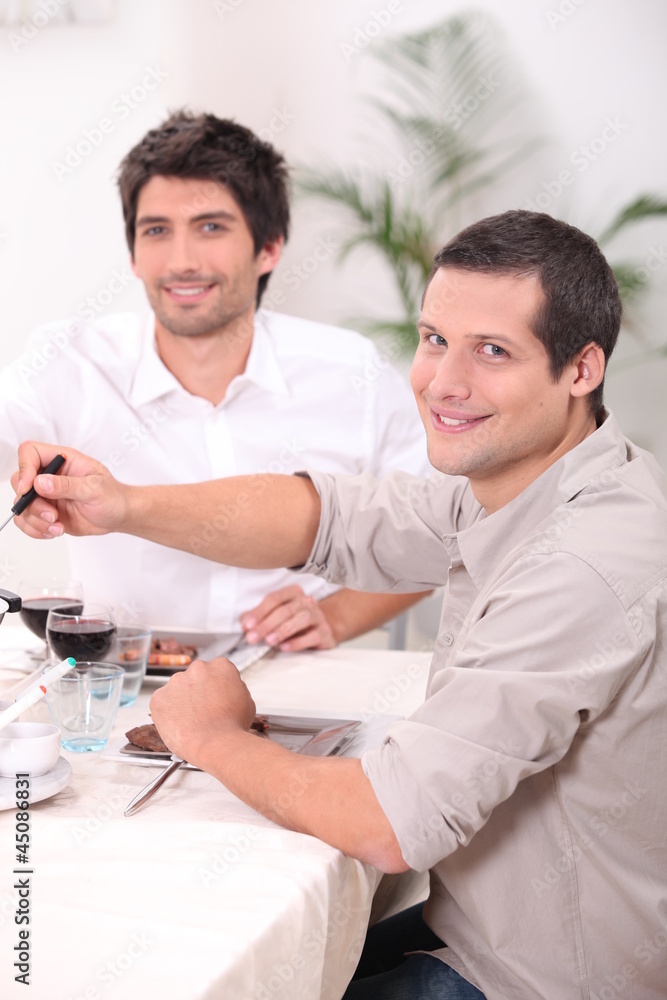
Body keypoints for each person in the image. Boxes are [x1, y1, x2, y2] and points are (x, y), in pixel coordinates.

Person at [12, 210, 667, 1000]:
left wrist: (209, 735)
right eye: (435, 340)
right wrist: (124, 504)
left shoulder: (581, 561)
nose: (444, 382)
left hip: (538, 978)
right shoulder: (542, 480)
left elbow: (390, 823)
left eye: (492, 351)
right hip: (484, 924)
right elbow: (329, 516)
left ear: (580, 368)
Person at [0, 110, 432, 649]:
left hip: (293, 673)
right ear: (133, 255)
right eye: (157, 230)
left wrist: (339, 616)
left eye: (211, 227)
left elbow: (437, 532)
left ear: (268, 246)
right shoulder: (71, 361)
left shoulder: (352, 373)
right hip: (117, 673)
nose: (182, 261)